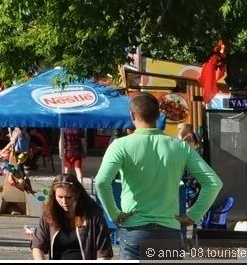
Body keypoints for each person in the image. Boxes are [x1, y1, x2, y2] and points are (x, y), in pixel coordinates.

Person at [94, 92, 223, 261]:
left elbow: (102, 182)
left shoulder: (120, 146)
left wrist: (114, 213)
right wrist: (193, 215)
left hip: (134, 229)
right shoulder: (179, 146)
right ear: (159, 115)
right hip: (169, 230)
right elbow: (213, 183)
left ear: (132, 115)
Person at [30, 174, 114, 260]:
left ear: (78, 194)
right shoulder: (48, 214)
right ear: (54, 195)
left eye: (69, 197)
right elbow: (37, 245)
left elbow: (103, 253)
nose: (64, 202)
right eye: (60, 197)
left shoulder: (93, 215)